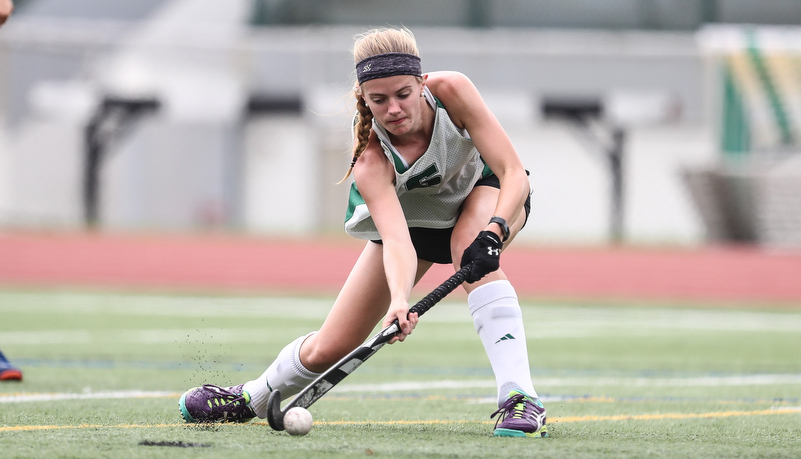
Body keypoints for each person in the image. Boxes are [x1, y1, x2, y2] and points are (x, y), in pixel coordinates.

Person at [179, 27, 546, 438]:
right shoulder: (372, 158)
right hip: (419, 224)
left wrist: (495, 231)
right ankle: (251, 397)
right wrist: (399, 300)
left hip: (490, 194)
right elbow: (397, 241)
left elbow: (514, 172)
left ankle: (521, 398)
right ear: (364, 96)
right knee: (330, 346)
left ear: (422, 83)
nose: (393, 109)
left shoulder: (452, 90)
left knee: (467, 248)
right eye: (379, 99)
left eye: (403, 94)